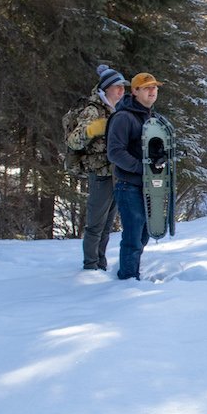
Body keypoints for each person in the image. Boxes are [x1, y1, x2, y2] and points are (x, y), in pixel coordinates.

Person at [66, 65, 126, 270]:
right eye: (117, 87)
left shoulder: (116, 108)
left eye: (123, 87)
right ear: (106, 88)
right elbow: (73, 141)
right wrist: (93, 129)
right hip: (100, 174)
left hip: (115, 173)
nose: (121, 91)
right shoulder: (93, 110)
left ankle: (101, 262)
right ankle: (91, 265)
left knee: (108, 224)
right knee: (95, 225)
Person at [107, 72, 166, 281]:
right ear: (135, 91)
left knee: (143, 235)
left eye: (154, 87)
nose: (152, 91)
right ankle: (128, 280)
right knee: (132, 237)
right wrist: (142, 169)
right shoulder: (124, 117)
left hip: (150, 187)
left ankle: (131, 275)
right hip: (129, 185)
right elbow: (115, 152)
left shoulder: (153, 119)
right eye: (146, 87)